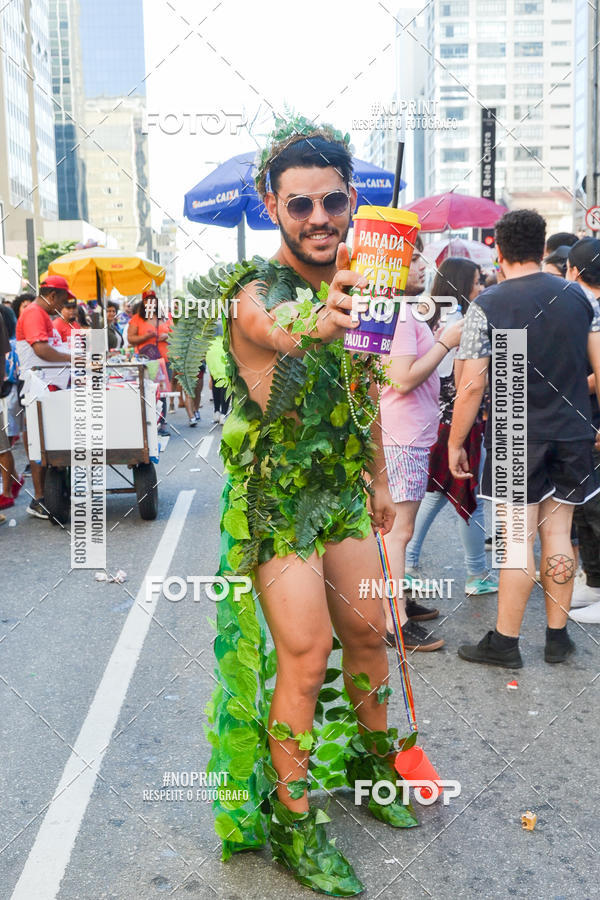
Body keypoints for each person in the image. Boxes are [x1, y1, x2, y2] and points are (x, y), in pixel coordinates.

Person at [175, 118, 418, 896]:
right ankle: (293, 821)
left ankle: (378, 772)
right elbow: (273, 330)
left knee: (374, 634)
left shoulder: (362, 289)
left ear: (351, 204)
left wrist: (378, 477)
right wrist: (320, 319)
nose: (318, 218)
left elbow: (363, 389)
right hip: (278, 504)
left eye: (333, 202)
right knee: (307, 658)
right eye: (299, 204)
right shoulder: (254, 293)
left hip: (343, 493)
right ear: (269, 206)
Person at [449, 209, 600, 667]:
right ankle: (557, 638)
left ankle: (506, 642)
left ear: (498, 247)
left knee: (517, 540)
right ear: (540, 248)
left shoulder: (489, 305)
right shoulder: (579, 299)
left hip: (517, 431)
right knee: (558, 534)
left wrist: (456, 442)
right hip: (573, 431)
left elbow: (472, 385)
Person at [379, 242, 462, 652]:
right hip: (403, 436)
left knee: (399, 531)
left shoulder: (400, 310)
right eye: (412, 259)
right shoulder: (396, 314)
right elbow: (403, 378)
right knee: (399, 531)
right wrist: (446, 342)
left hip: (410, 433)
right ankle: (395, 622)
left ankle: (396, 603)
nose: (421, 266)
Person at [405, 258, 498, 597]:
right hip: (459, 422)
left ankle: (408, 561)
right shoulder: (461, 323)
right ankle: (476, 573)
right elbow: (465, 384)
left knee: (438, 494)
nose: (482, 287)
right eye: (476, 281)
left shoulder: (426, 316)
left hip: (436, 421)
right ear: (462, 285)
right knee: (468, 498)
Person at [16, 275, 74, 519]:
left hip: (49, 388)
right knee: (39, 443)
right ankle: (39, 499)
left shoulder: (43, 315)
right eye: (62, 300)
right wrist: (74, 359)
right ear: (52, 296)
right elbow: (41, 349)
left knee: (49, 442)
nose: (63, 306)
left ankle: (53, 493)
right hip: (37, 389)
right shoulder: (33, 314)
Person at [564, 238, 600, 624]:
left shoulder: (585, 310)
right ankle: (594, 580)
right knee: (586, 505)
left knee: (594, 506)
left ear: (574, 272)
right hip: (582, 422)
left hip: (591, 420)